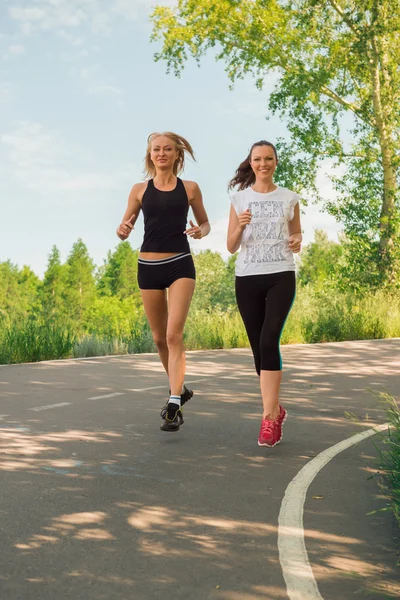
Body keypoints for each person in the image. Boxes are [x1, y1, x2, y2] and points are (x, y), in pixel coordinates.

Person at [117, 132, 210, 432]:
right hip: (148, 266)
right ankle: (180, 388)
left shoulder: (191, 189)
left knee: (174, 335)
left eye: (167, 149)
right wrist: (122, 229)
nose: (161, 153)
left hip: (180, 264)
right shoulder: (139, 190)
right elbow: (124, 229)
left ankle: (173, 403)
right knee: (159, 338)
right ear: (150, 154)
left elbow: (205, 223)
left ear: (176, 154)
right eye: (156, 149)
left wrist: (200, 231)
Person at [227, 140, 302, 447]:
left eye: (268, 158)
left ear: (275, 161)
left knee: (270, 337)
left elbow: (296, 233)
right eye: (257, 159)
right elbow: (231, 246)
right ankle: (276, 408)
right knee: (259, 348)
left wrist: (297, 239)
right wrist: (240, 226)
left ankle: (268, 418)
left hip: (281, 273)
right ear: (251, 163)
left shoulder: (289, 197)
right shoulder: (238, 198)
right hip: (247, 277)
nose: (263, 164)